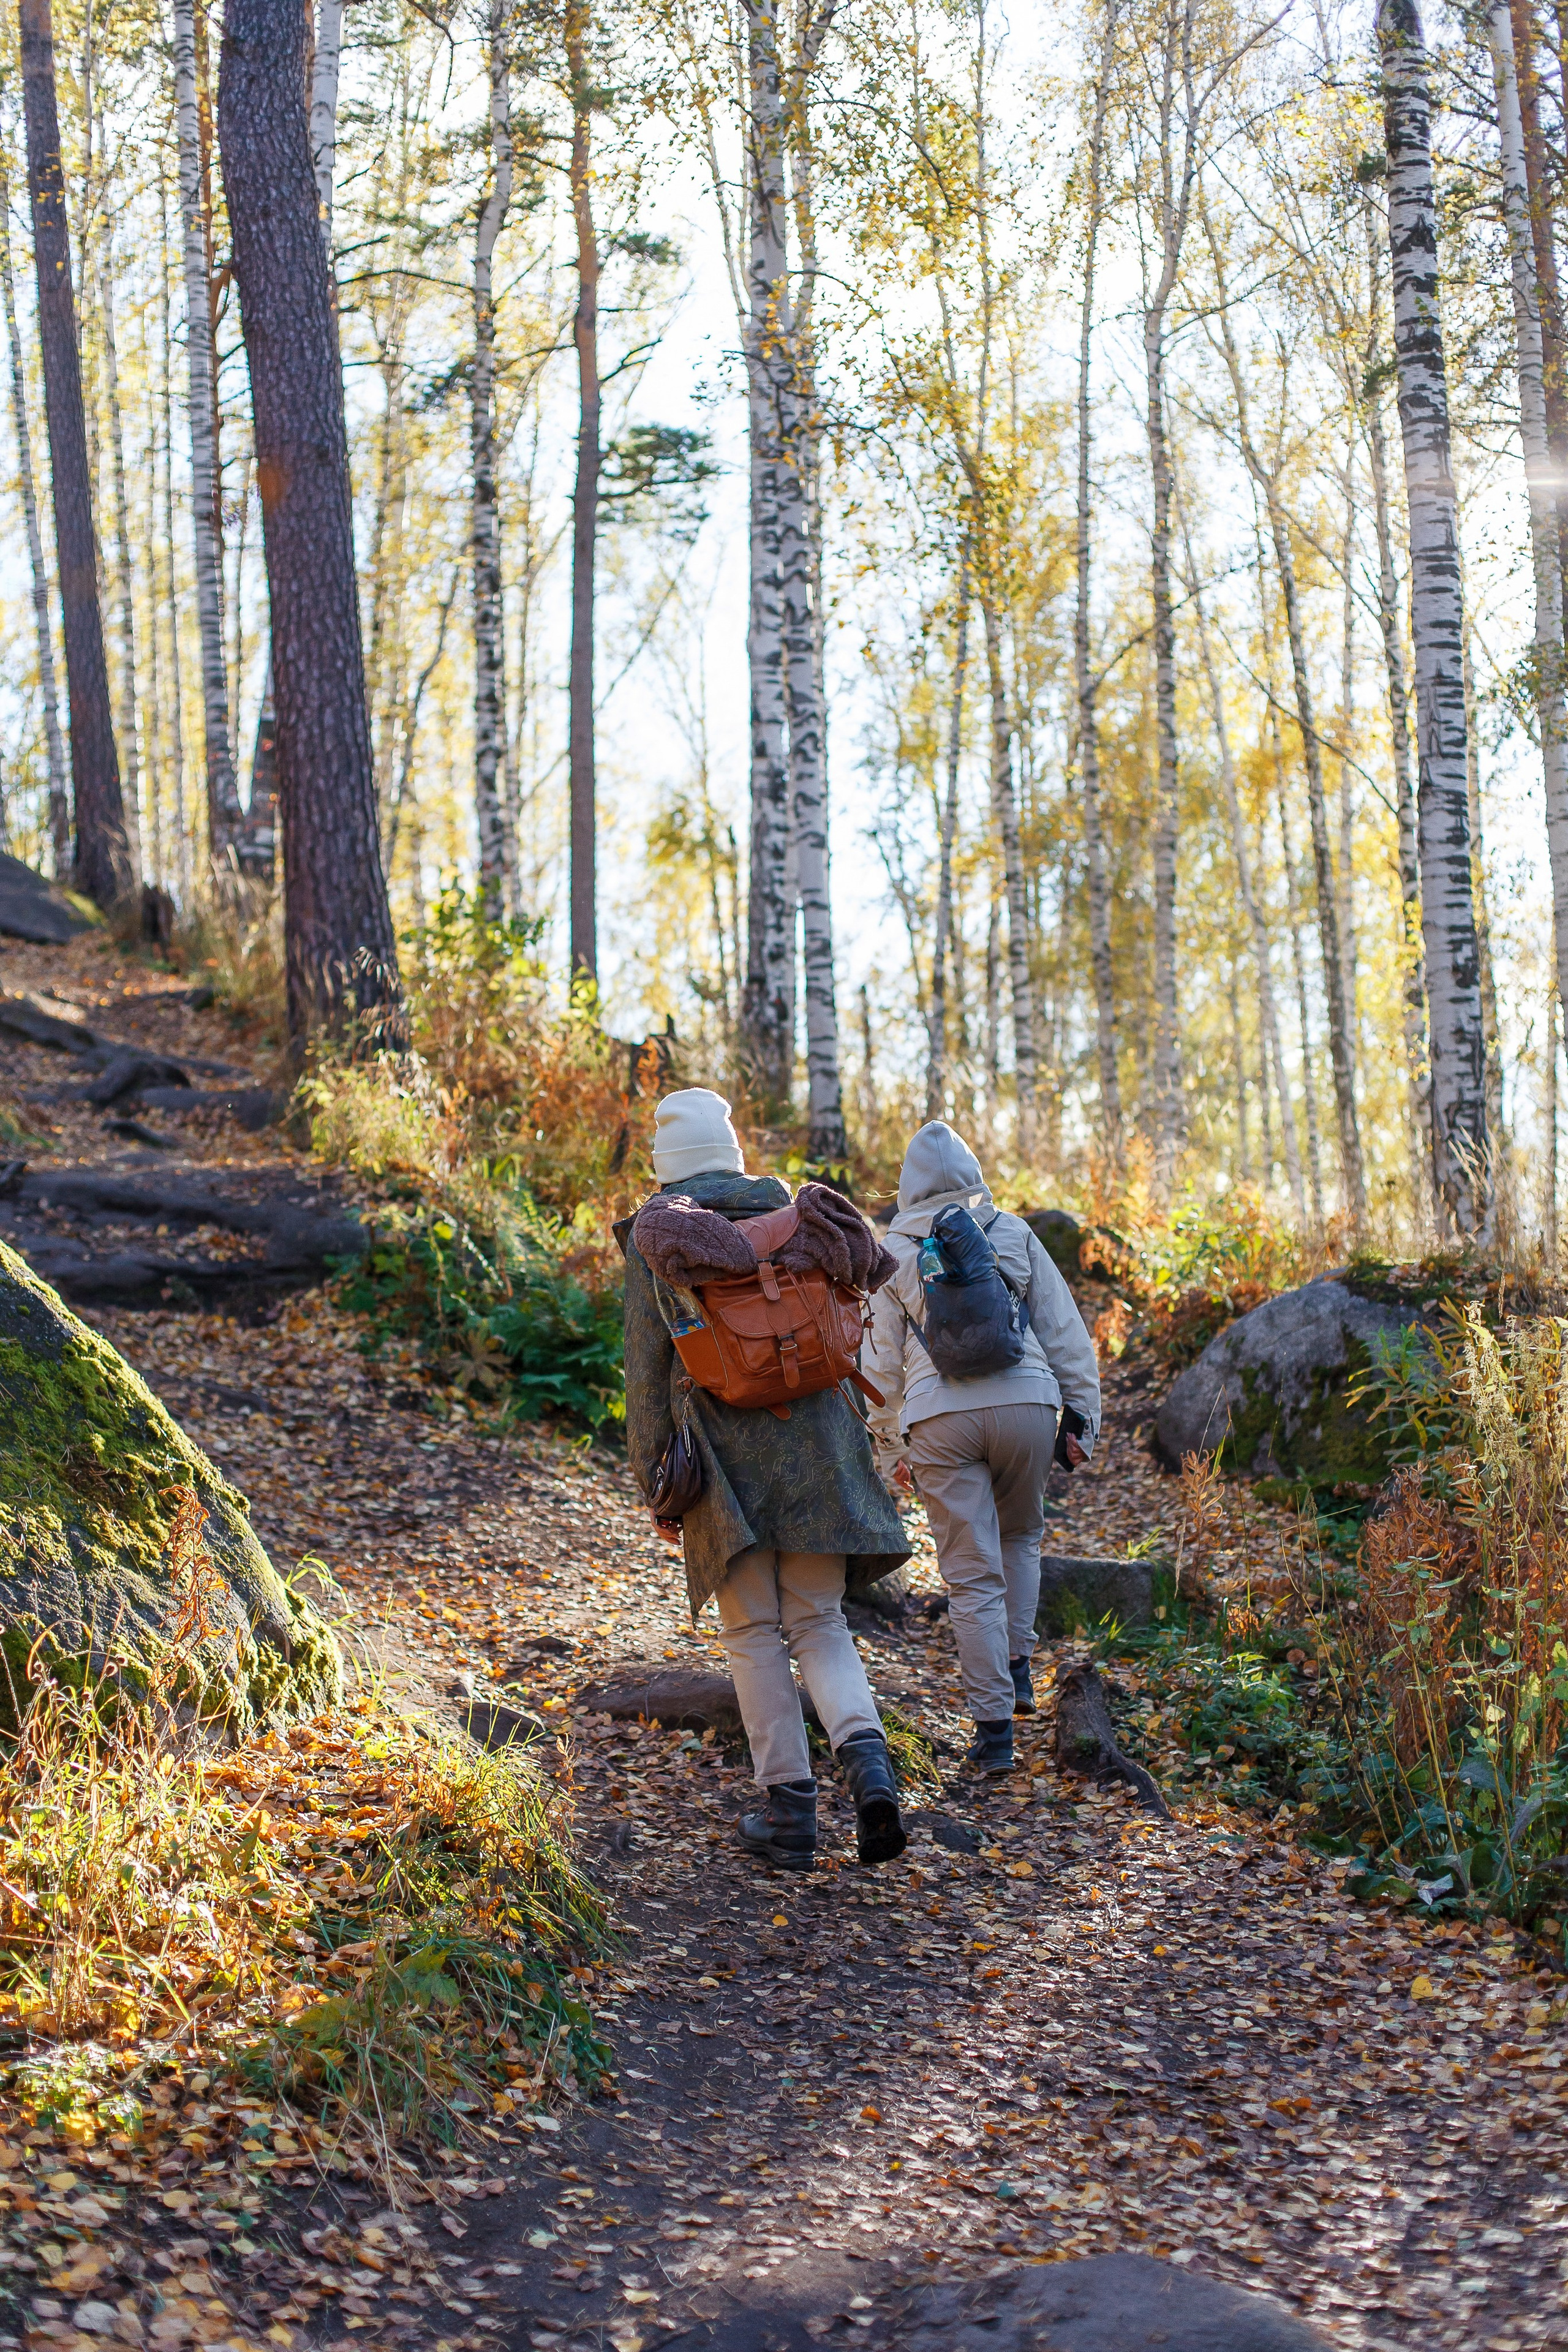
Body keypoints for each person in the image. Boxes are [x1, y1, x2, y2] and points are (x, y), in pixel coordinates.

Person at [622, 1087, 913, 1872]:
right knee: (818, 1619)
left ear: (665, 1166)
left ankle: (790, 1816)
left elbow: (647, 1378)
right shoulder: (799, 1216)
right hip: (821, 1445)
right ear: (734, 1156)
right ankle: (870, 1771)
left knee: (753, 1633)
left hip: (724, 1464)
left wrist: (657, 1480)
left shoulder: (661, 1238)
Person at [862, 1120, 1101, 1774]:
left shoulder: (890, 1253)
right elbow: (1063, 1330)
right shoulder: (1012, 1231)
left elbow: (877, 1366)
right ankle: (1018, 1666)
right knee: (1020, 1537)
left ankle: (994, 1731)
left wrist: (890, 1449)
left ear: (907, 1185)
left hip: (938, 1417)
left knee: (970, 1578)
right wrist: (1082, 1418)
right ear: (972, 1172)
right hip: (1027, 1404)